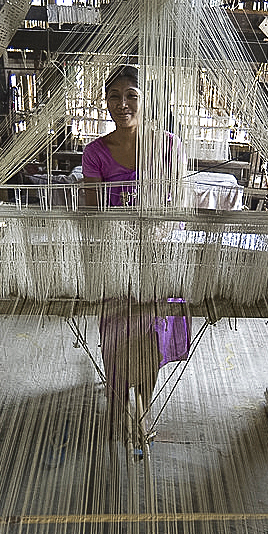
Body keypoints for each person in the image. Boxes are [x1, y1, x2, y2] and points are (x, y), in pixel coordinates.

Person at [82, 64, 190, 444]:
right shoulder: (95, 152)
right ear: (106, 101)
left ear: (145, 100)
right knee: (115, 337)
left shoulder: (168, 145)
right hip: (116, 257)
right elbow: (93, 208)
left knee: (149, 336)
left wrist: (157, 231)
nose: (122, 103)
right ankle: (117, 410)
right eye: (114, 96)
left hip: (156, 257)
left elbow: (176, 202)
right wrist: (121, 232)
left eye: (131, 95)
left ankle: (141, 413)